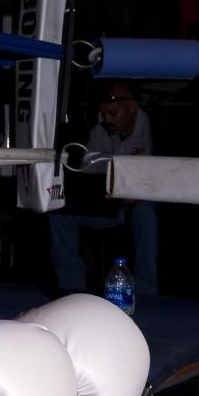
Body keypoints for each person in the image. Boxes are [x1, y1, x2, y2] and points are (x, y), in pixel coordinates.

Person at [49, 81, 158, 295]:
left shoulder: (152, 127)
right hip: (113, 200)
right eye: (103, 113)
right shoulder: (99, 131)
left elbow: (156, 176)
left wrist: (129, 191)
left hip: (143, 200)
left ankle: (145, 288)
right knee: (59, 212)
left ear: (132, 108)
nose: (106, 119)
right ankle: (71, 284)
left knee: (145, 214)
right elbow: (87, 174)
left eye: (113, 113)